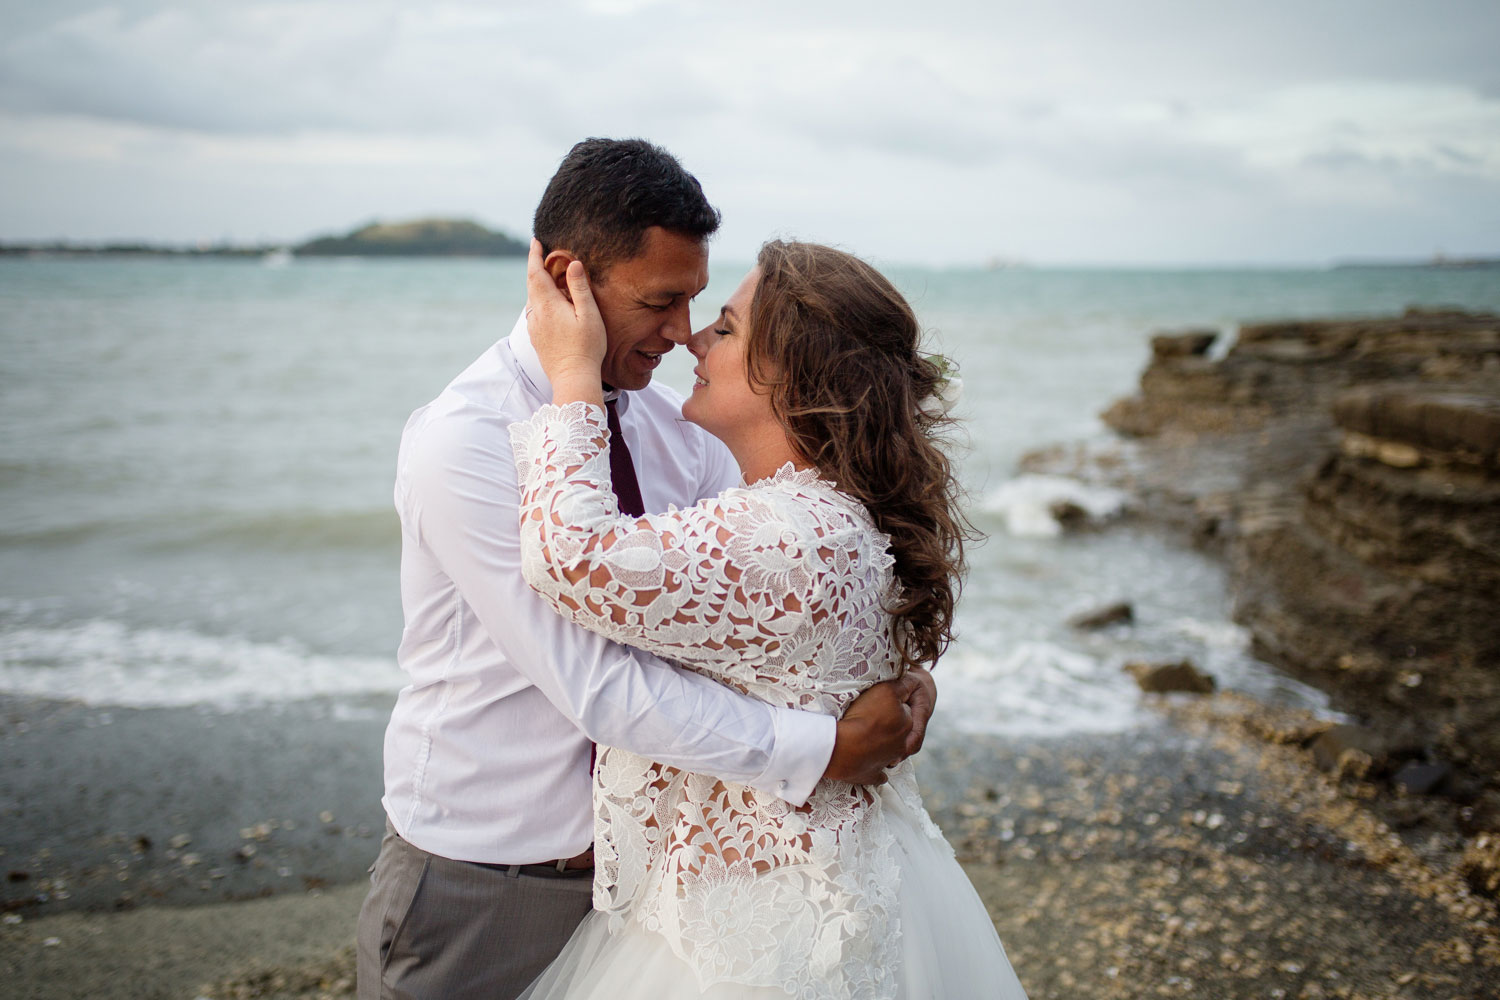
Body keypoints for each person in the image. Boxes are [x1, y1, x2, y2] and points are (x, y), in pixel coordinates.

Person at [356, 138, 936, 1000]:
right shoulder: (465, 443)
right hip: (489, 875)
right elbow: (595, 684)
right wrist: (828, 746)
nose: (682, 333)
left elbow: (794, 581)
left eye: (699, 302)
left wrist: (894, 670)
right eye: (660, 302)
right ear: (568, 280)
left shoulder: (673, 425)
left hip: (650, 875)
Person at [510, 239, 1028, 999]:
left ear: (792, 372)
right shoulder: (831, 516)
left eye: (723, 327)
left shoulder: (789, 536)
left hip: (760, 934)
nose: (692, 337)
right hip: (823, 889)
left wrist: (572, 374)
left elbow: (571, 555)